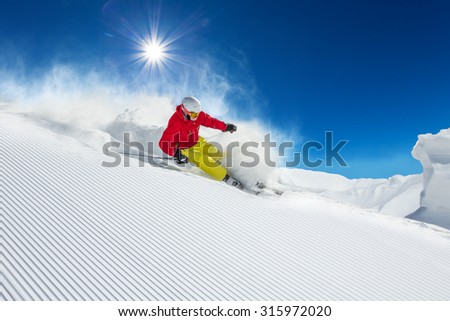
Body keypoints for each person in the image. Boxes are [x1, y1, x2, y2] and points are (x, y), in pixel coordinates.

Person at [159, 96, 242, 188]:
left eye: (198, 114)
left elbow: (211, 121)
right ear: (185, 111)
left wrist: (225, 126)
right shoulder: (175, 122)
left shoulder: (198, 115)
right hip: (184, 147)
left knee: (215, 152)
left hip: (197, 141)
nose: (196, 117)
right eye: (194, 115)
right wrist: (175, 153)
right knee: (203, 159)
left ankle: (236, 171)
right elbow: (164, 142)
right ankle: (226, 178)